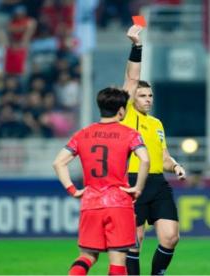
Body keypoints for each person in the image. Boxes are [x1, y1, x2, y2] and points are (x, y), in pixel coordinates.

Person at [52, 27, 150, 276]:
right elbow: (145, 158)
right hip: (118, 201)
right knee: (118, 261)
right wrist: (137, 187)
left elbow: (58, 163)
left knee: (86, 256)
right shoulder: (128, 132)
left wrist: (73, 190)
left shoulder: (83, 133)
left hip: (91, 202)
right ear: (121, 110)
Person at [121, 24, 186, 275]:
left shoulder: (156, 123)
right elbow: (131, 78)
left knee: (171, 237)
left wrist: (177, 166)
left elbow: (164, 157)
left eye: (150, 96)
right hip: (132, 183)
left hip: (158, 183)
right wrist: (137, 46)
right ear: (132, 99)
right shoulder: (124, 115)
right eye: (143, 96)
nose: (148, 99)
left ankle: (157, 274)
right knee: (134, 242)